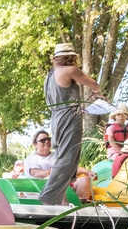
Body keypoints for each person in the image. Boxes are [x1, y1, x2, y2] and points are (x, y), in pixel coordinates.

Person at [39, 42, 105, 205]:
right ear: (71, 57)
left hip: (56, 118)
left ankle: (63, 200)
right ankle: (47, 199)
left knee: (63, 156)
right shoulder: (70, 69)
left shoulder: (50, 75)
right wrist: (97, 94)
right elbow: (94, 84)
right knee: (67, 159)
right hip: (69, 116)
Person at [24, 130, 96, 201]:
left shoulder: (57, 154)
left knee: (85, 180)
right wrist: (52, 172)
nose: (47, 141)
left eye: (48, 139)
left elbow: (70, 168)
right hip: (43, 185)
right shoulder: (32, 158)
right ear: (35, 144)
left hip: (63, 183)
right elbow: (35, 173)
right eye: (43, 140)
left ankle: (80, 206)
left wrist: (87, 171)